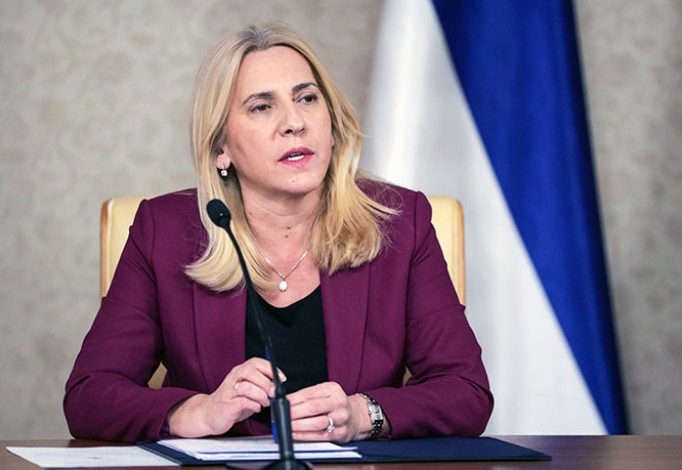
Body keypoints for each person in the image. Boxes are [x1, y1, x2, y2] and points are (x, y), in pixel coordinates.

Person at [64, 23, 493, 444]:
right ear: (221, 148)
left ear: (331, 122)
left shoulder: (399, 223)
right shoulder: (164, 231)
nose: (294, 122)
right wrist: (198, 411)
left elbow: (465, 391)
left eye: (307, 98)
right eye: (261, 107)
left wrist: (364, 415)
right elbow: (89, 395)